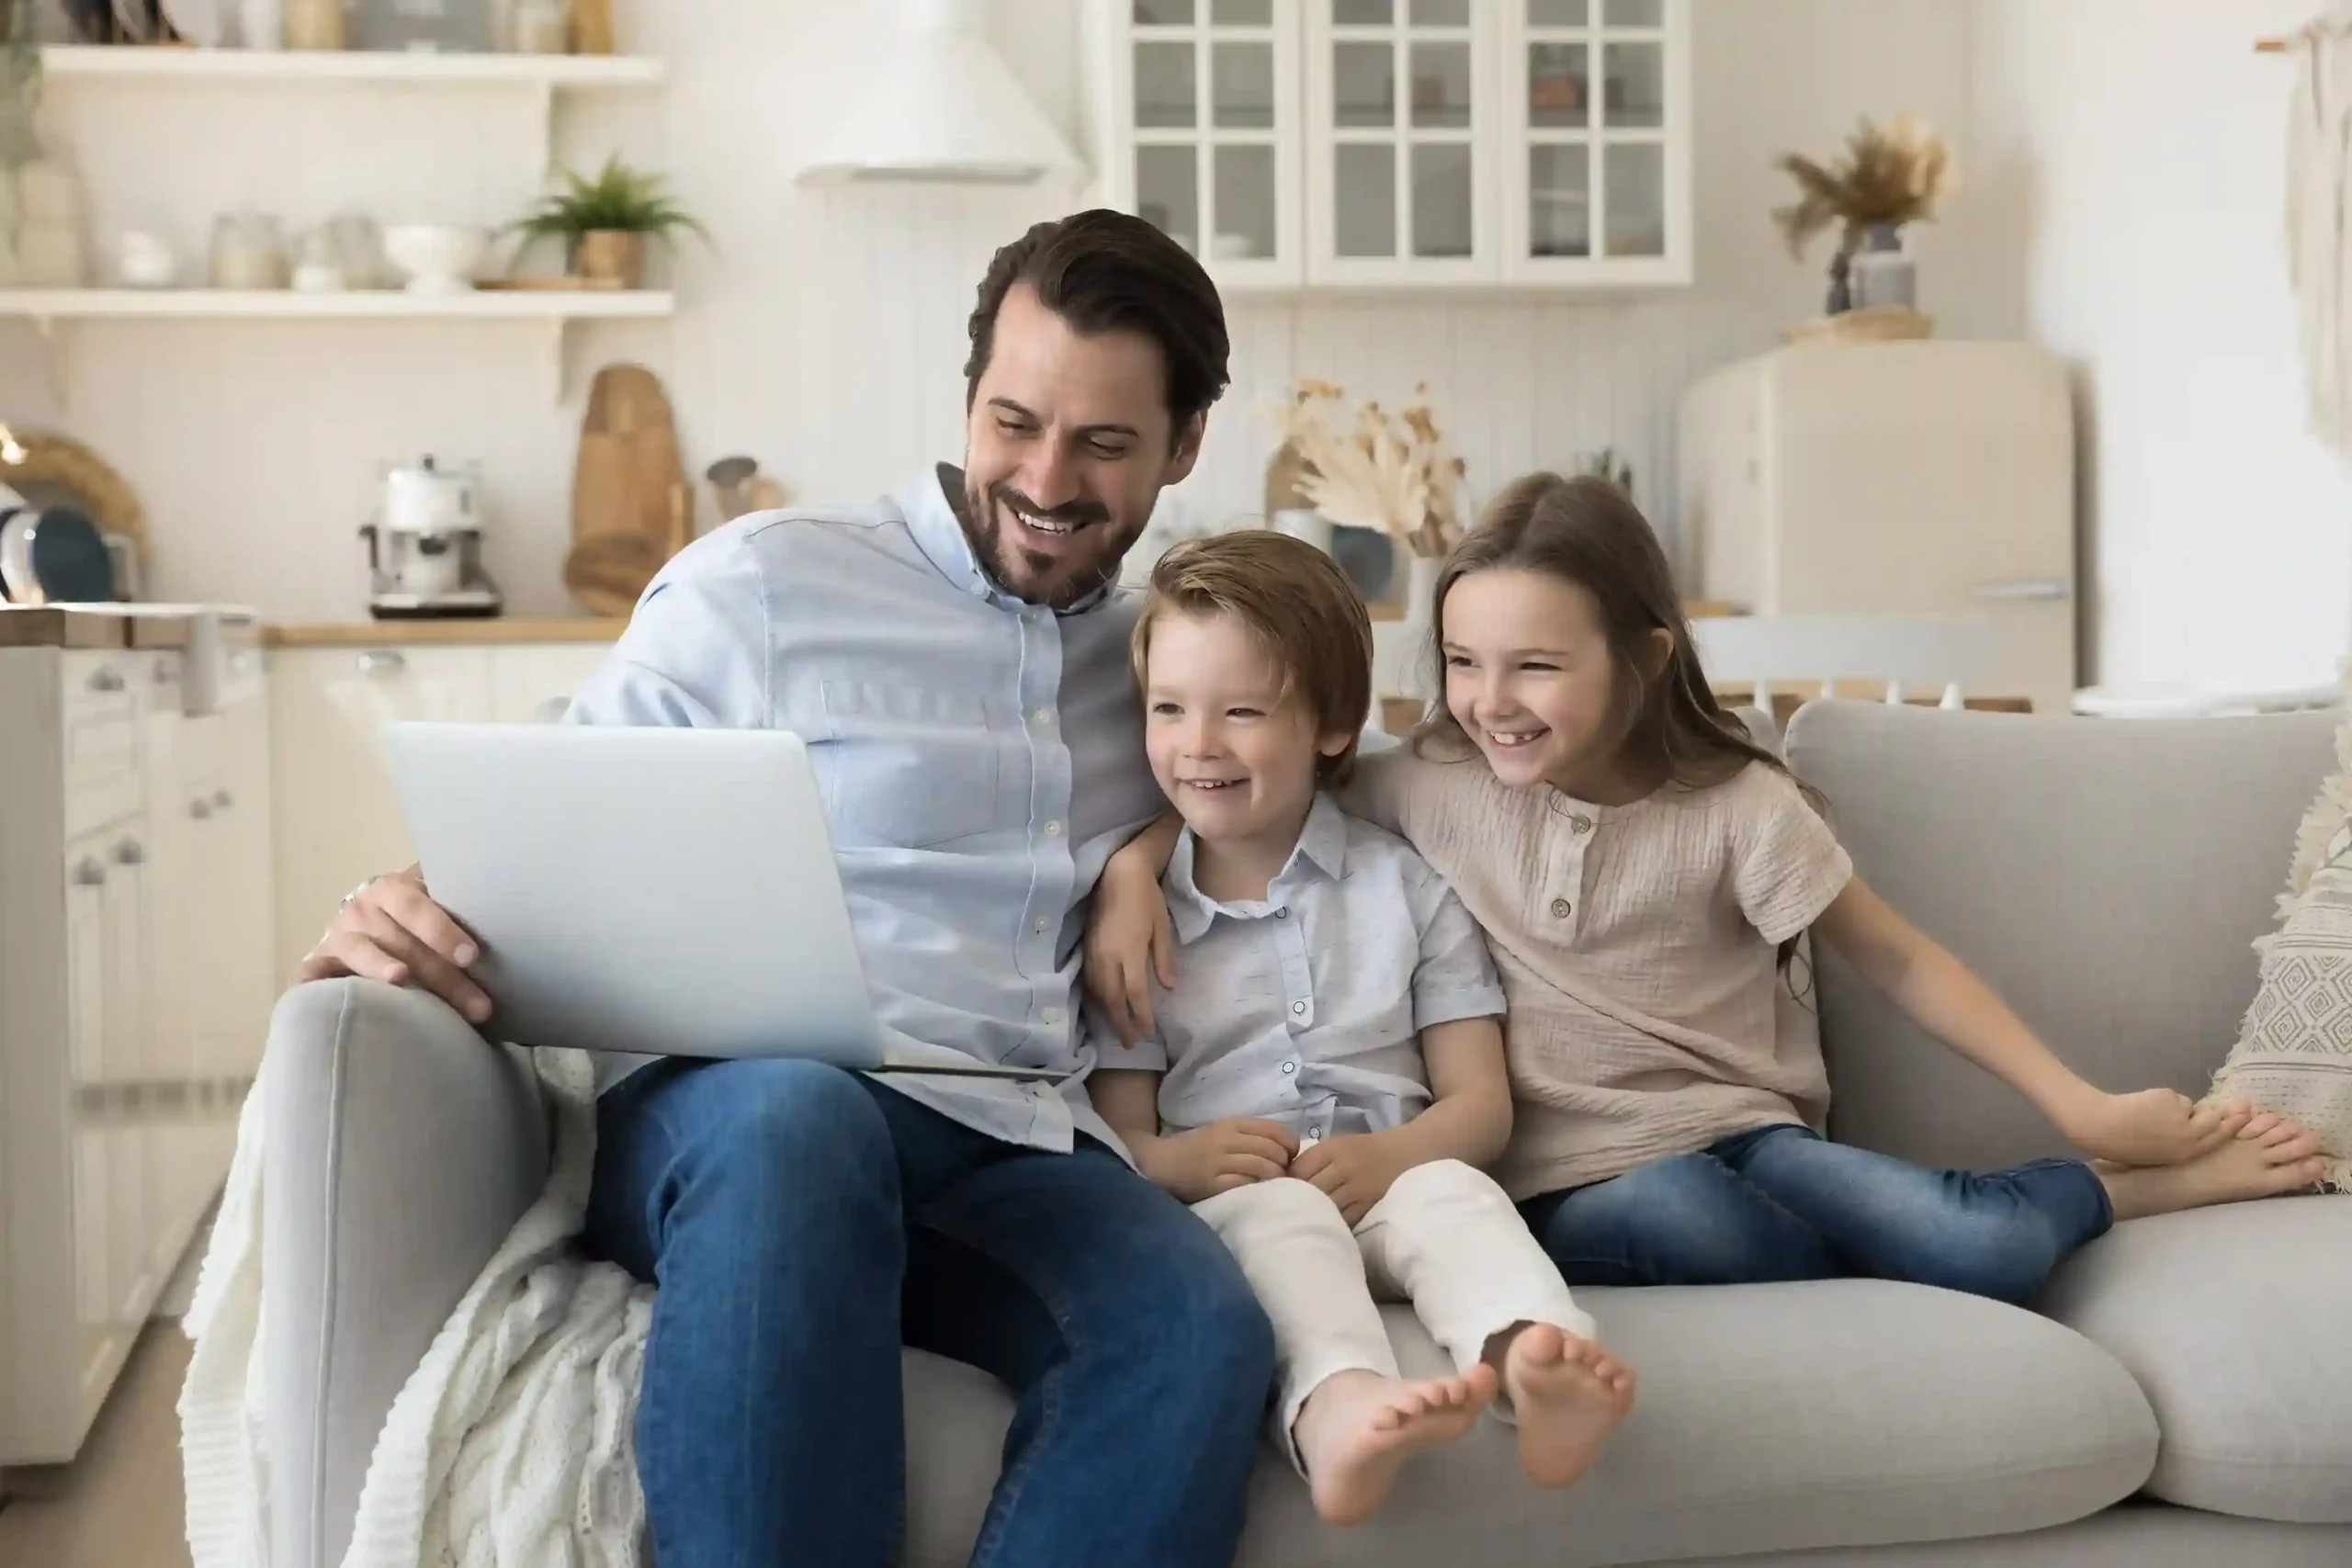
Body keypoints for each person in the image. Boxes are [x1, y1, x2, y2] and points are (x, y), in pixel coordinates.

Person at [291, 210, 1279, 1568]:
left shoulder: (1174, 656)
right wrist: (393, 899)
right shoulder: (766, 582)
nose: (1045, 478)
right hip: (739, 1118)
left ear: (1184, 444)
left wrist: (1134, 853)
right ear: (970, 394)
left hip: (1003, 1134)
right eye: (1014, 421)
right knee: (800, 1114)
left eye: (1105, 444)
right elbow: (552, 817)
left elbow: (1305, 795)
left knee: (1194, 1322)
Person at [1087, 470, 2329, 1308]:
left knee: (1982, 1240)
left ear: (1645, 659)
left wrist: (2080, 1101)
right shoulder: (1433, 780)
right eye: (1463, 662)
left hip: (1750, 1129)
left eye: (1534, 665)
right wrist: (1135, 866)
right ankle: (1975, 1225)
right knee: (1696, 1225)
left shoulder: (1738, 807)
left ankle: (2117, 1184)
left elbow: (1897, 958)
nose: (1488, 700)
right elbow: (1247, 786)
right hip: (1567, 1176)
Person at [1087, 531, 1634, 1528]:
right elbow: (1119, 1131)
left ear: (1334, 725)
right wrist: (1181, 1159)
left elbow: (1478, 1104)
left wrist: (1395, 1157)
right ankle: (1339, 1413)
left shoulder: (1406, 885)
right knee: (1285, 1224)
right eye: (1168, 710)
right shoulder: (1136, 925)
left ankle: (1528, 1363)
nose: (1197, 743)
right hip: (1244, 1200)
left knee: (1455, 1196)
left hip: (1395, 1178)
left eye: (1242, 712)